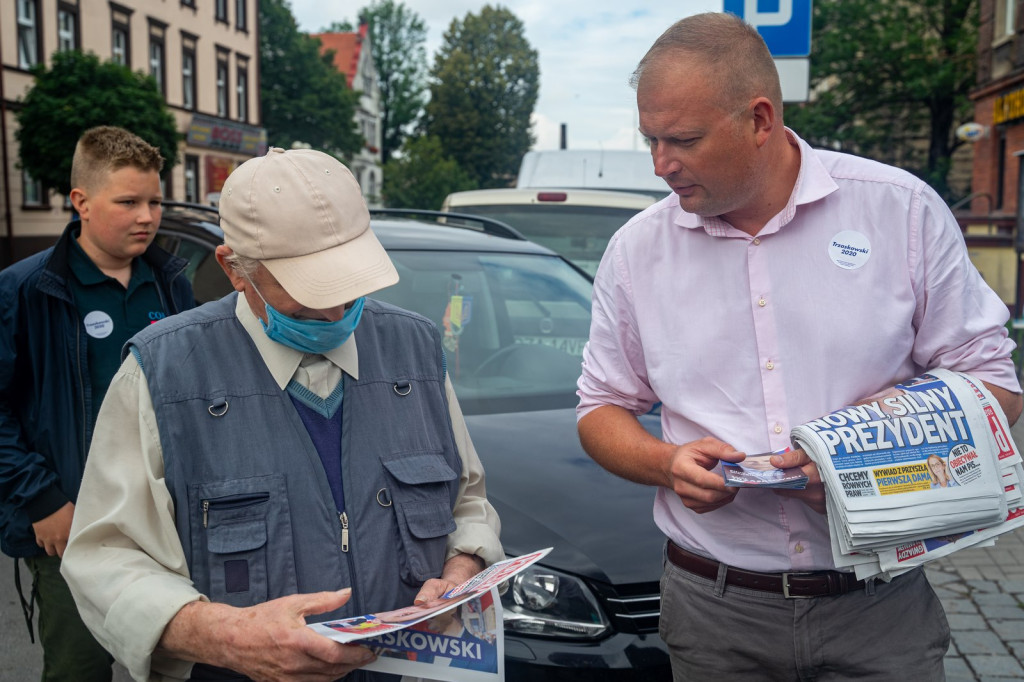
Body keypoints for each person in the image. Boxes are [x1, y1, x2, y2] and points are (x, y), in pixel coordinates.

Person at [576, 12, 1023, 681]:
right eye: (651, 140)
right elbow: (600, 410)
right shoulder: (638, 250)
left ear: (759, 120)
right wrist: (667, 463)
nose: (661, 164)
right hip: (714, 609)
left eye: (684, 140)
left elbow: (997, 387)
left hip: (879, 605)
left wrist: (860, 455)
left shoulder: (898, 211)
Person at [61, 147, 503, 682]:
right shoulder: (163, 371)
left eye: (349, 282)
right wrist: (222, 635)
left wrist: (462, 568)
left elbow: (468, 502)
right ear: (235, 269)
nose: (337, 310)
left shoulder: (415, 349)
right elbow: (105, 558)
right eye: (307, 289)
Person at [0, 126, 195, 682]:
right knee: (78, 670)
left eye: (155, 201)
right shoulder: (26, 290)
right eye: (129, 202)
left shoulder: (171, 285)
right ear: (81, 202)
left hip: (165, 524)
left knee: (173, 666)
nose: (147, 216)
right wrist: (40, 499)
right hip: (73, 527)